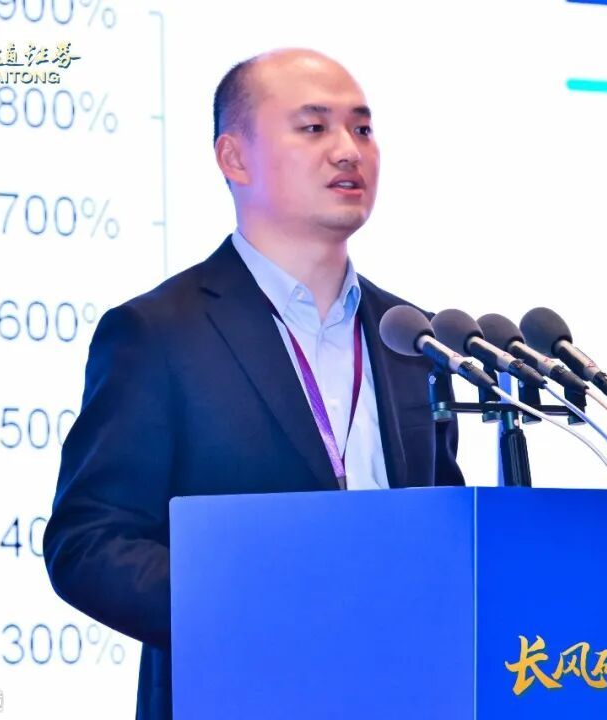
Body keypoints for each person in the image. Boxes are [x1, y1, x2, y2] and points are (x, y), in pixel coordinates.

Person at [42, 48, 465, 720]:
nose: (347, 150)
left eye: (362, 128)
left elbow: (446, 531)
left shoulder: (413, 337)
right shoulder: (160, 333)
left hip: (407, 695)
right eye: (314, 127)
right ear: (235, 158)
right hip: (241, 696)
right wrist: (254, 610)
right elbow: (89, 541)